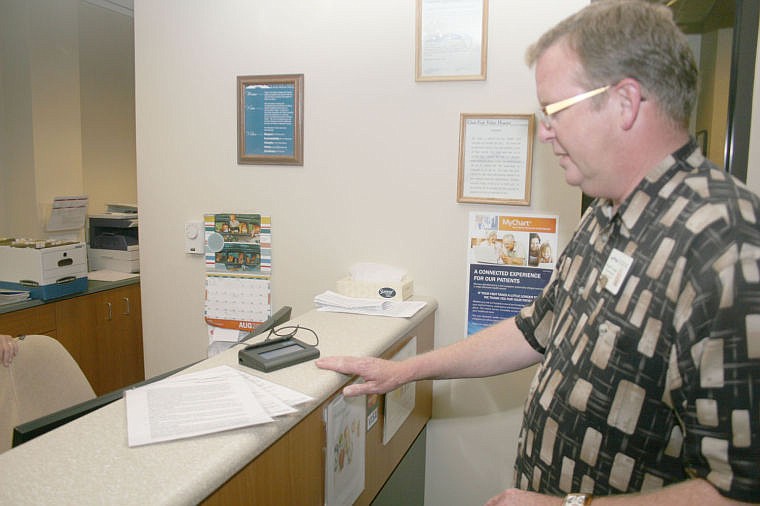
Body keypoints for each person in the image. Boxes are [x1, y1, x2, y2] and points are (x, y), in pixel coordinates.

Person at [317, 2, 760, 505]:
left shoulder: (726, 244)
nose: (544, 130)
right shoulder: (607, 214)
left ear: (625, 102)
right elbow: (536, 329)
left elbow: (741, 492)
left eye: (553, 110)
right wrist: (408, 370)